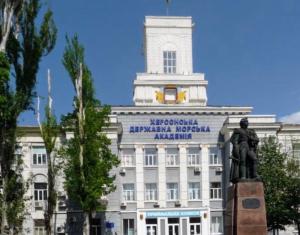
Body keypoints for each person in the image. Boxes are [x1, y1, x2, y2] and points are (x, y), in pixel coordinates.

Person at [230, 118, 259, 183]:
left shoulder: (251, 131)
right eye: (245, 122)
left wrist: (252, 139)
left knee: (254, 159)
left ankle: (254, 175)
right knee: (243, 161)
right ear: (242, 123)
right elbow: (234, 141)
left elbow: (256, 139)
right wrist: (235, 149)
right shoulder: (238, 130)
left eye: (247, 122)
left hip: (249, 147)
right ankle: (243, 176)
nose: (247, 123)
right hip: (242, 146)